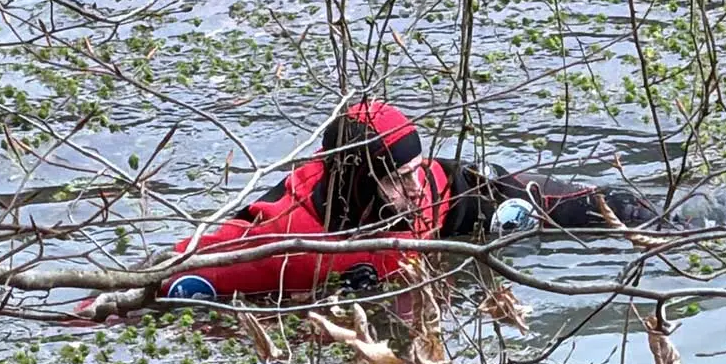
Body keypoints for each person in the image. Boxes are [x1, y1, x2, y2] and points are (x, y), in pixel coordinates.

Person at [152, 99, 659, 302]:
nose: (415, 188)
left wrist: (599, 209)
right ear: (363, 183)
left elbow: (445, 185)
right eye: (398, 179)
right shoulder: (288, 241)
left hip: (447, 235)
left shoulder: (433, 187)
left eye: (417, 170)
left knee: (613, 207)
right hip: (342, 288)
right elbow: (167, 275)